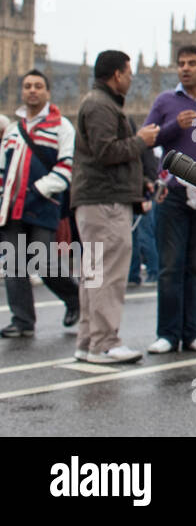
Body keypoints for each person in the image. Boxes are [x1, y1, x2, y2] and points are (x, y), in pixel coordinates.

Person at [71, 51, 159, 363]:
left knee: (94, 274)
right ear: (116, 75)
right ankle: (105, 342)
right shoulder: (100, 105)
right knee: (108, 273)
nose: (132, 78)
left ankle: (88, 341)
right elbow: (106, 151)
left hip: (97, 200)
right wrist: (141, 140)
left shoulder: (98, 102)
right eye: (128, 72)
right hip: (105, 201)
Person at [143, 45, 196, 354]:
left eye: (192, 63)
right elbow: (145, 139)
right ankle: (167, 333)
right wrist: (174, 126)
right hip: (173, 193)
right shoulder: (165, 101)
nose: (185, 68)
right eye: (181, 64)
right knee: (170, 266)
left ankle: (194, 333)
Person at [0, 69, 80, 337]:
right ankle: (22, 320)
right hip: (11, 209)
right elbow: (3, 169)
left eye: (37, 86)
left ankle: (74, 298)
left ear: (47, 91)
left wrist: (37, 190)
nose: (32, 90)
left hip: (42, 205)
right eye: (27, 86)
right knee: (14, 264)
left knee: (43, 262)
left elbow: (66, 167)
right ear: (22, 92)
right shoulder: (13, 130)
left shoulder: (61, 126)